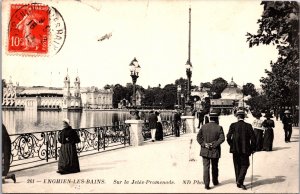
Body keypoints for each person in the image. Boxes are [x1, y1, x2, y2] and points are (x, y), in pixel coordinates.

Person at [226, 110, 256, 190]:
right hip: (245, 149)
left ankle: (238, 181)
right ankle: (240, 181)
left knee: (237, 165)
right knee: (245, 165)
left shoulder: (233, 125)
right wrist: (252, 148)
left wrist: (232, 145)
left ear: (237, 117)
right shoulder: (248, 126)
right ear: (244, 117)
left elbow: (228, 137)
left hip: (235, 149)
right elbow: (253, 139)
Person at [197, 111, 225, 190]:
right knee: (215, 166)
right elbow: (222, 138)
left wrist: (204, 144)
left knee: (206, 167)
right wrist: (214, 144)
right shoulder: (219, 127)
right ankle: (215, 181)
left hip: (205, 150)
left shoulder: (203, 126)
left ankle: (206, 184)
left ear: (210, 118)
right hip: (215, 150)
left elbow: (198, 137)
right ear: (216, 118)